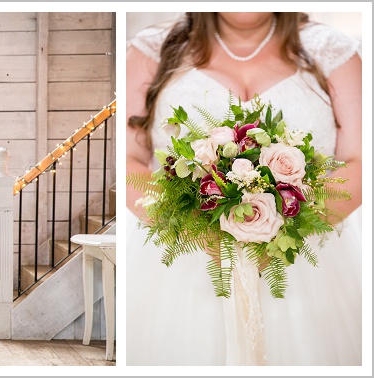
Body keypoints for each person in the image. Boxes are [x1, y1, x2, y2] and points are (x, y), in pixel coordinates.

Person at [125, 12, 362, 366]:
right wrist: (196, 229)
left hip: (309, 264)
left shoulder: (336, 54)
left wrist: (285, 226)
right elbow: (127, 159)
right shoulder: (149, 52)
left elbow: (360, 161)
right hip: (184, 260)